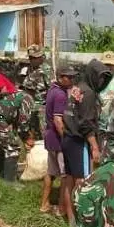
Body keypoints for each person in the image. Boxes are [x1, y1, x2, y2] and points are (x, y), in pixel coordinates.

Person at [62, 59, 109, 220]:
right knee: (82, 181)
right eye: (99, 77)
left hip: (67, 138)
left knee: (69, 179)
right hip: (79, 141)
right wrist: (95, 146)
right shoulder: (88, 93)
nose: (101, 81)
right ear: (92, 75)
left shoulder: (78, 88)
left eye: (104, 78)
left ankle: (71, 218)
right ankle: (83, 218)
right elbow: (86, 123)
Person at [0, 77, 36, 182]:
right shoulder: (27, 98)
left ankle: (0, 176)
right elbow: (23, 122)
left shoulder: (17, 95)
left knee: (1, 146)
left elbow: (16, 120)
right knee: (13, 147)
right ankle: (10, 182)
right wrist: (27, 139)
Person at [42, 66, 73, 216]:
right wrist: (66, 139)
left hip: (49, 137)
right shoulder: (60, 94)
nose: (72, 79)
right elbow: (58, 119)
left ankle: (44, 204)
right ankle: (61, 209)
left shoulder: (52, 90)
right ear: (61, 77)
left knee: (50, 172)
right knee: (65, 175)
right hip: (57, 139)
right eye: (69, 77)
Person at [19, 44, 52, 135]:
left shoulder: (46, 70)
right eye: (32, 58)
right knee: (31, 133)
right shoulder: (28, 69)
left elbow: (51, 89)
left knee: (43, 133)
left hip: (42, 107)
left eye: (37, 57)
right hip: (30, 106)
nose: (34, 60)